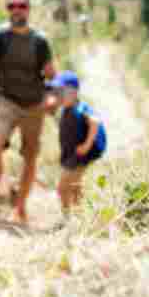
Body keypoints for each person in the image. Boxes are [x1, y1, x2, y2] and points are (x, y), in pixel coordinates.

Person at [0, 0, 57, 225]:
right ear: (7, 8)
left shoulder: (40, 41)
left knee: (30, 157)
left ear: (29, 9)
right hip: (7, 101)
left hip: (34, 105)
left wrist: (53, 96)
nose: (16, 10)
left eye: (21, 5)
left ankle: (20, 207)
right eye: (12, 5)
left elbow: (52, 74)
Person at [44, 71, 106, 211]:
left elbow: (95, 122)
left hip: (81, 155)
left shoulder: (80, 108)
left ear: (73, 92)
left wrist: (86, 144)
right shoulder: (67, 108)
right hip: (74, 155)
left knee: (62, 188)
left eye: (61, 91)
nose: (57, 94)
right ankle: (79, 213)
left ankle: (68, 217)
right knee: (75, 186)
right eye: (56, 91)